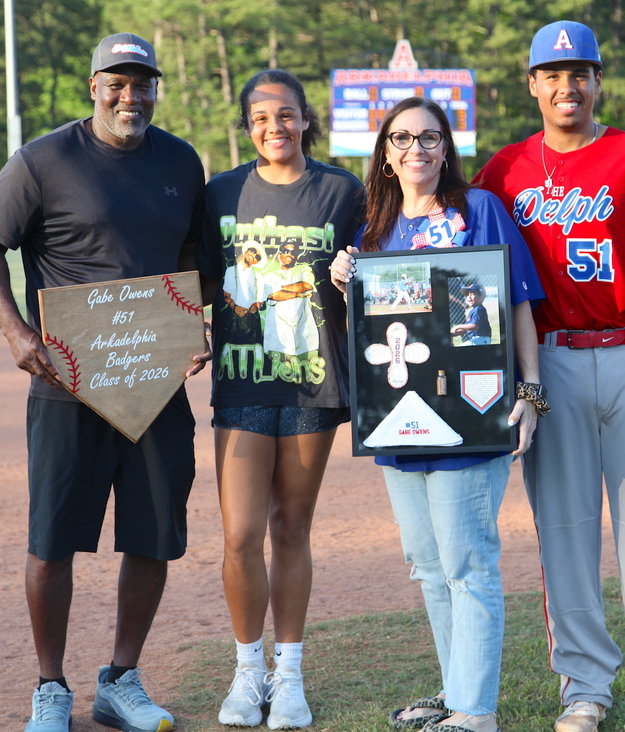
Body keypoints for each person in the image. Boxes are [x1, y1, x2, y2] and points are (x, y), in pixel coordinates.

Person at [473, 20, 625, 732]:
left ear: (598, 81)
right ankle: (584, 685)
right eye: (551, 74)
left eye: (579, 72)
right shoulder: (503, 171)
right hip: (549, 366)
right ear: (532, 85)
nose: (565, 86)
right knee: (564, 534)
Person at [0, 33, 207, 732]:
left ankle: (121, 680)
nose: (131, 97)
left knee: (154, 533)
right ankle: (50, 686)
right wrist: (16, 331)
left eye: (143, 84)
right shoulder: (44, 159)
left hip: (154, 377)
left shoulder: (180, 161)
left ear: (157, 88)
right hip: (67, 380)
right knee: (53, 539)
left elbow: (189, 250)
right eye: (118, 83)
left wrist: (194, 324)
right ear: (93, 85)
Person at [330, 97, 548, 732]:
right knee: (428, 565)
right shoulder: (373, 228)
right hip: (398, 418)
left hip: (471, 415)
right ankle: (458, 696)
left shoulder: (477, 210)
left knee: (468, 564)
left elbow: (518, 307)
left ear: (446, 149)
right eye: (401, 139)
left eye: (429, 138)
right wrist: (348, 279)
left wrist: (530, 393)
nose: (415, 149)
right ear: (386, 154)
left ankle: (475, 714)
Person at [195, 69, 364, 730]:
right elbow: (202, 277)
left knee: (291, 526)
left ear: (306, 120)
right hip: (241, 379)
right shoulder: (221, 192)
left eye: (287, 115)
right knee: (240, 534)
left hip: (311, 382)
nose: (276, 128)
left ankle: (288, 676)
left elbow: (367, 272)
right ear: (248, 127)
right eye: (262, 118)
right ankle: (247, 673)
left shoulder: (341, 190)